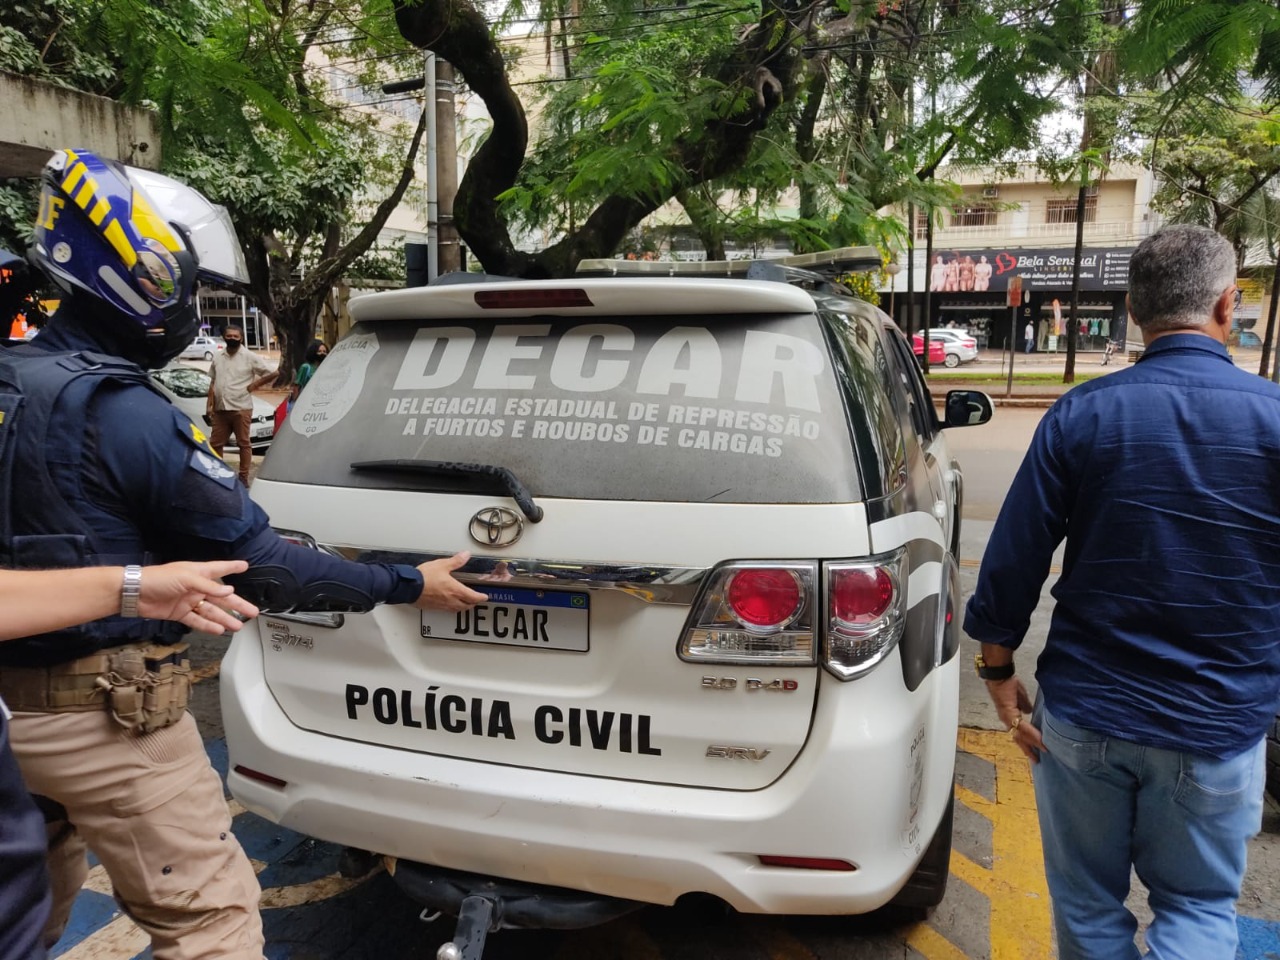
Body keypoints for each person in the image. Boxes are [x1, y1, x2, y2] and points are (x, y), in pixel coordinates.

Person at [0, 147, 486, 959]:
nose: (193, 309)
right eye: (188, 289)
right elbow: (268, 568)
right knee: (211, 924)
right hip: (105, 723)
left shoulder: (14, 379)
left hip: (9, 720)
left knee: (30, 912)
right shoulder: (126, 414)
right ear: (140, 271)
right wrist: (406, 582)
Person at [964, 225, 1280, 960]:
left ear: (1134, 311)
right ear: (1228, 306)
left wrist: (998, 672)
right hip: (1218, 726)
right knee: (1200, 909)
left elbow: (1012, 560)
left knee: (1086, 907)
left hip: (1088, 719)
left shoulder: (1083, 413)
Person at [0, 560, 257, 960]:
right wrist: (134, 586)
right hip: (119, 725)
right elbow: (252, 549)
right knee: (210, 925)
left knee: (27, 897)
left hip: (20, 734)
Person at [206, 323, 276, 486]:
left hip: (241, 407)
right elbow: (213, 381)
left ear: (241, 338)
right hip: (220, 408)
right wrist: (209, 404)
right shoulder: (217, 356)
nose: (232, 339)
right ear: (224, 336)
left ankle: (243, 477)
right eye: (229, 336)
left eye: (235, 336)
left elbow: (273, 372)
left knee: (243, 443)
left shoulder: (249, 356)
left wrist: (254, 386)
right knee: (215, 443)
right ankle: (217, 474)